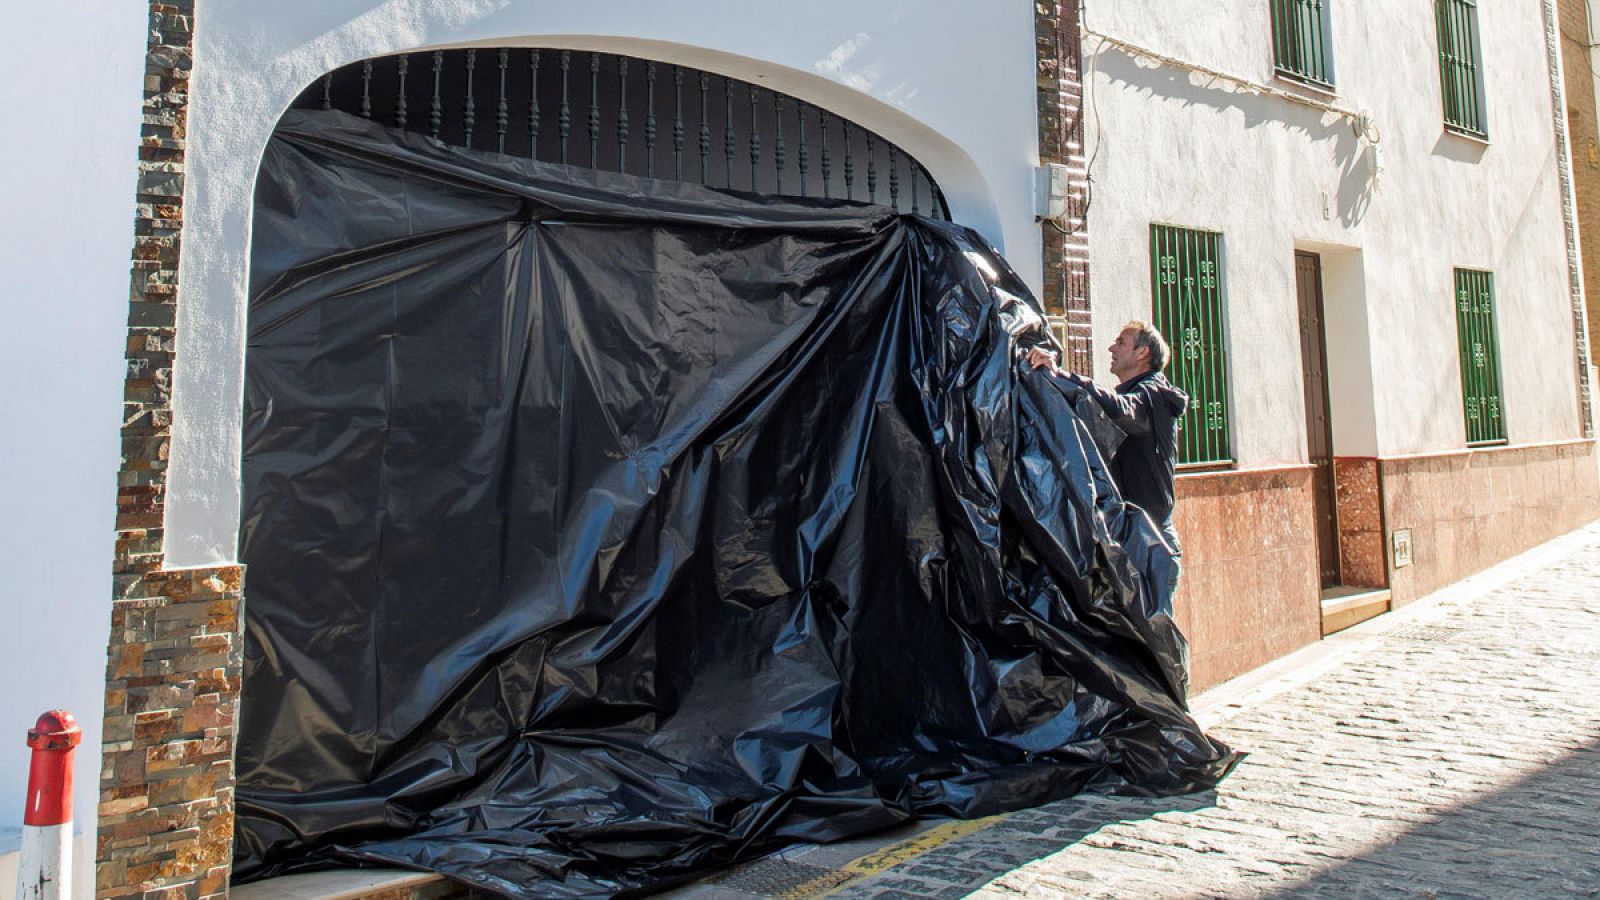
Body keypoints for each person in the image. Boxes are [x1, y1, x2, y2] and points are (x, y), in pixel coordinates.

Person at [1026, 321, 1188, 562]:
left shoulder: (1153, 397)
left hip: (1150, 543)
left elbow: (1120, 409)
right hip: (1133, 536)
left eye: (1121, 343)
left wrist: (1061, 375)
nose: (1112, 348)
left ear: (1142, 352)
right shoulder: (1140, 394)